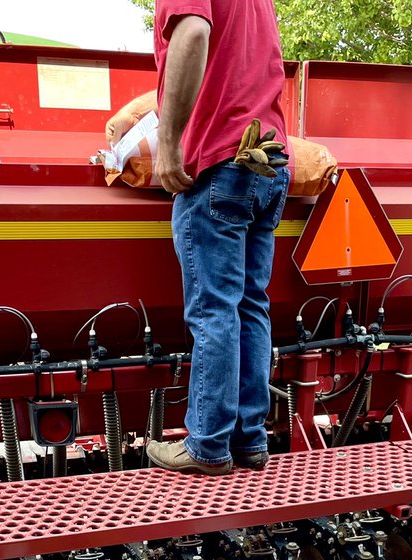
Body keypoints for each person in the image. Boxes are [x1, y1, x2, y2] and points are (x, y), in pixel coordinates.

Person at [146, 0, 289, 476]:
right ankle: (249, 440)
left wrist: (168, 144)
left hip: (221, 162)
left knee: (215, 308)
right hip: (267, 158)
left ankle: (207, 444)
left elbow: (191, 35)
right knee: (250, 303)